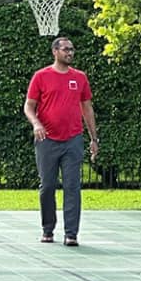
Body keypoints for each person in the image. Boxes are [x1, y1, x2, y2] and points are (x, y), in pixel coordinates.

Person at [24, 37, 99, 246]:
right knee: (47, 186)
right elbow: (29, 107)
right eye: (66, 49)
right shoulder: (41, 76)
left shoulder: (80, 78)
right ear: (55, 52)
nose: (70, 53)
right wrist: (36, 124)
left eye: (72, 49)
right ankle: (48, 229)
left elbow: (87, 108)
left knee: (72, 186)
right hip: (47, 139)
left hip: (73, 140)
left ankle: (71, 233)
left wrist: (93, 138)